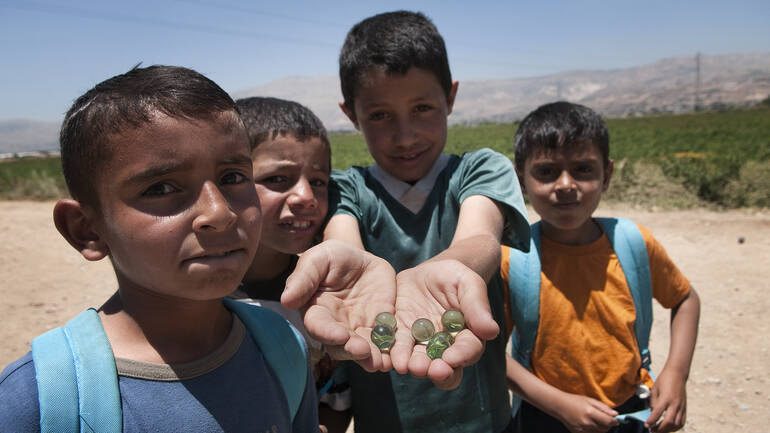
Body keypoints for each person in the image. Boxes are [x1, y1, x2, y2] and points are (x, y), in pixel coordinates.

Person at [0, 65, 320, 432]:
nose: (219, 213)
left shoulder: (281, 348)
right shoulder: (38, 401)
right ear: (86, 230)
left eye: (232, 178)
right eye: (161, 188)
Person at [322, 10, 531, 433]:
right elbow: (343, 243)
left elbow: (480, 237)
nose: (406, 136)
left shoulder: (480, 170)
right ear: (350, 114)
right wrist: (347, 270)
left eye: (422, 108)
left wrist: (450, 268)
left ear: (450, 97)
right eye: (380, 115)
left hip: (484, 422)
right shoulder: (347, 189)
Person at [502, 101, 701, 433]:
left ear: (606, 175)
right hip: (544, 414)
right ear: (521, 180)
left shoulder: (634, 243)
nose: (566, 184)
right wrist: (558, 403)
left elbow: (685, 299)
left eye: (583, 169)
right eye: (547, 172)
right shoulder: (513, 259)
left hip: (631, 410)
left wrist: (677, 373)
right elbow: (489, 354)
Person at [229, 96, 351, 432]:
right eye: (278, 179)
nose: (305, 197)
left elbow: (335, 399)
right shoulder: (199, 302)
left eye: (318, 182)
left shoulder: (323, 301)